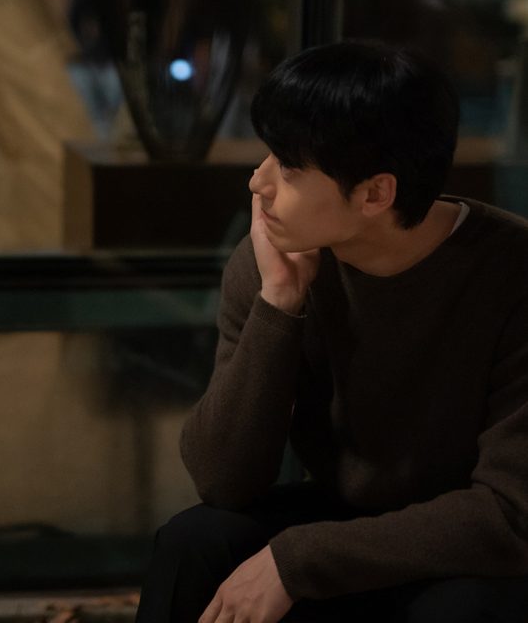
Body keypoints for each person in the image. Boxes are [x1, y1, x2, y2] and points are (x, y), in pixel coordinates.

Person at [135, 40, 528, 622]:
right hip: (343, 513)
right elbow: (221, 480)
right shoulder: (274, 260)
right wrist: (279, 303)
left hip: (470, 546)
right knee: (193, 543)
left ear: (375, 193)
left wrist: (300, 561)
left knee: (464, 611)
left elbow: (511, 514)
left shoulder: (512, 275)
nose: (258, 182)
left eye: (289, 168)